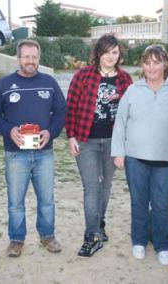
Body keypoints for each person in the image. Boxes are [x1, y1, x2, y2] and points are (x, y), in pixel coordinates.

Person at [0, 39, 66, 258]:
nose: (31, 61)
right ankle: (16, 239)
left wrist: (50, 132)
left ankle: (48, 236)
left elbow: (61, 112)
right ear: (18, 58)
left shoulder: (49, 82)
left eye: (34, 57)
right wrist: (8, 130)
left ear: (38, 58)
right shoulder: (4, 85)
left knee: (47, 199)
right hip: (15, 154)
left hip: (44, 153)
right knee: (15, 202)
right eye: (26, 57)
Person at [111, 45, 168, 265]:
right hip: (136, 158)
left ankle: (162, 245)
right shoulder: (133, 90)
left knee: (162, 204)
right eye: (147, 62)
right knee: (139, 202)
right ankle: (139, 241)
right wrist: (118, 152)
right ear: (142, 65)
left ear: (165, 64)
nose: (151, 67)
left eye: (156, 62)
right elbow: (121, 123)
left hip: (167, 159)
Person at [65, 34, 132, 257]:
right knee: (91, 188)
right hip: (86, 141)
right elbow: (71, 108)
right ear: (98, 53)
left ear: (119, 54)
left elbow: (130, 114)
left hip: (113, 142)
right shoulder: (82, 76)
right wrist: (71, 136)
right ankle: (91, 236)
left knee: (105, 186)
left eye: (114, 52)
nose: (110, 56)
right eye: (106, 51)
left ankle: (99, 223)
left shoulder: (125, 80)